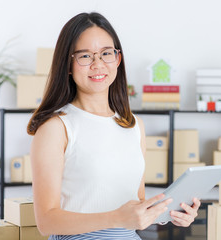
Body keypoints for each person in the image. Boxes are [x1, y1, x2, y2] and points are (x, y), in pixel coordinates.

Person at [27, 12, 200, 239]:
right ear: (68, 65)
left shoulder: (134, 125)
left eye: (106, 54)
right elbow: (47, 222)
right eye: (85, 56)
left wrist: (170, 213)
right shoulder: (56, 127)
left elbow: (135, 206)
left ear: (117, 59)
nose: (98, 64)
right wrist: (116, 217)